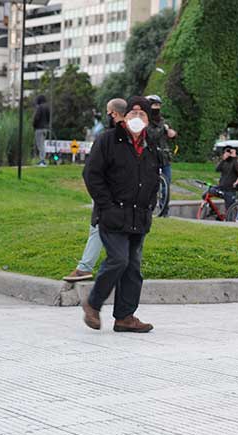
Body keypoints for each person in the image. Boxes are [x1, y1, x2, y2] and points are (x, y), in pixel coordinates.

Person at [80, 96, 160, 333]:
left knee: (133, 266)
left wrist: (150, 205)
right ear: (124, 117)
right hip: (112, 214)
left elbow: (155, 178)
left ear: (148, 119)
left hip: (139, 216)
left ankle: (125, 316)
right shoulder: (107, 140)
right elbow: (92, 175)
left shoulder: (151, 145)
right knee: (119, 259)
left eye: (142, 114)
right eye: (133, 113)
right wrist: (106, 205)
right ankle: (92, 304)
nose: (137, 118)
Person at [64, 98, 127, 283]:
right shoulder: (134, 136)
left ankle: (85, 268)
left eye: (109, 112)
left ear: (113, 114)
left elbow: (91, 171)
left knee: (99, 228)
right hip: (123, 193)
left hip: (108, 193)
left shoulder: (106, 137)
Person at [145, 94, 178, 216]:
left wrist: (172, 133)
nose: (157, 108)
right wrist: (162, 128)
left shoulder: (163, 121)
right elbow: (152, 135)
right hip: (150, 155)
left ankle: (164, 211)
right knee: (150, 184)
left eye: (158, 105)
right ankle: (148, 208)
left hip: (164, 156)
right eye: (154, 105)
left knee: (166, 185)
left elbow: (172, 135)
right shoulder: (146, 121)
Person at [211, 145, 238, 209]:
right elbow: (217, 169)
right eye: (226, 152)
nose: (228, 153)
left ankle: (229, 218)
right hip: (221, 187)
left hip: (231, 190)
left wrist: (234, 157)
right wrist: (223, 159)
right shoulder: (224, 162)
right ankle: (213, 210)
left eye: (230, 152)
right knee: (207, 193)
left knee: (229, 208)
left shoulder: (236, 161)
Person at [33, 94, 51, 167]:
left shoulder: (39, 108)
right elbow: (48, 118)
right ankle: (42, 160)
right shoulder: (47, 107)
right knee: (42, 144)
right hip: (45, 128)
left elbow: (36, 118)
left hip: (39, 128)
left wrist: (34, 125)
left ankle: (42, 161)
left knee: (40, 145)